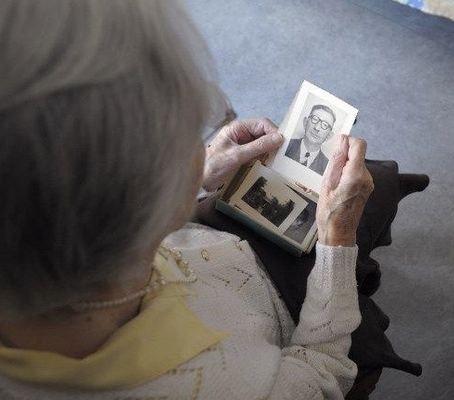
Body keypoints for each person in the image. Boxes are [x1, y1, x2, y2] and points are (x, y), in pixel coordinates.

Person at [0, 1, 374, 399]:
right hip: (292, 310)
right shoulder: (223, 388)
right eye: (190, 137)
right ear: (132, 211)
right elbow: (324, 371)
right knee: (373, 189)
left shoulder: (44, 247)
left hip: (208, 244)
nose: (203, 146)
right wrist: (338, 237)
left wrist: (196, 173)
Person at [284, 104, 336, 175]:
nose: (317, 128)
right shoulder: (285, 144)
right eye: (315, 119)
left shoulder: (327, 167)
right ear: (305, 122)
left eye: (325, 125)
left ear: (329, 135)